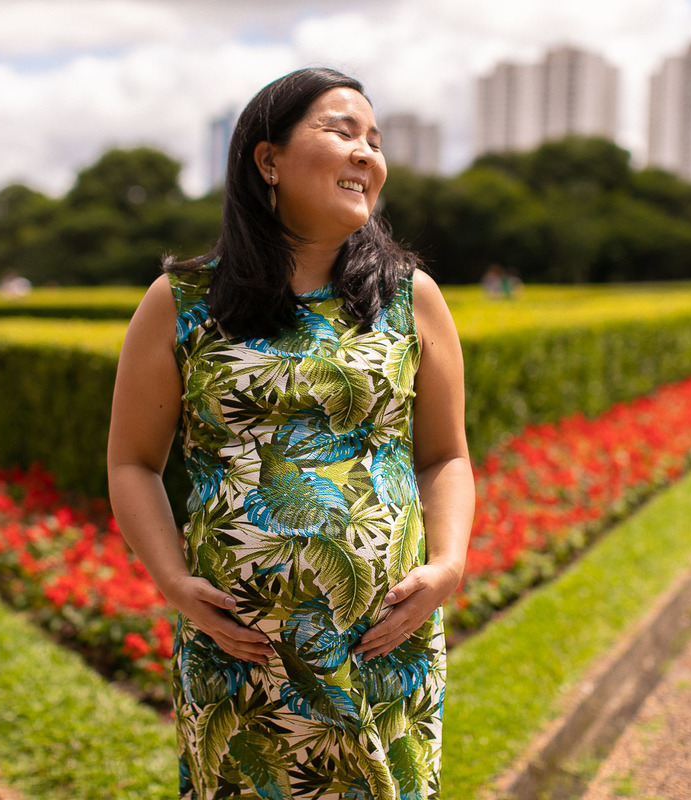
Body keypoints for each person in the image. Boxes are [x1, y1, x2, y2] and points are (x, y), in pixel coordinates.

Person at [107, 67, 474, 800]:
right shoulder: (181, 302)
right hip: (239, 655)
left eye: (376, 140)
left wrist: (448, 564)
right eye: (343, 131)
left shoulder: (410, 297)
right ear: (267, 160)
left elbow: (445, 455)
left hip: (383, 649)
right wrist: (173, 582)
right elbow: (132, 463)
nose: (367, 153)